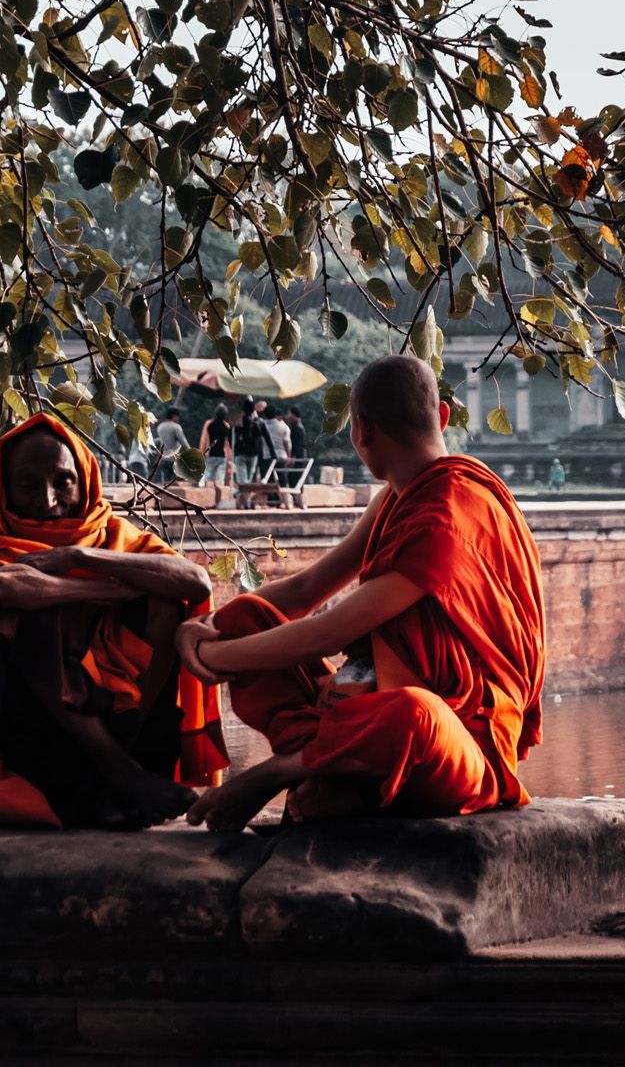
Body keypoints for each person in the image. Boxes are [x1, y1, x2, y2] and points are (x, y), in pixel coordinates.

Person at [178, 355, 546, 834]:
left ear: (361, 432)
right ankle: (338, 771)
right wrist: (212, 629)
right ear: (444, 417)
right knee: (250, 612)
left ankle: (288, 768)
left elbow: (330, 633)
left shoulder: (452, 510)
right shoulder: (396, 497)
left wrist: (212, 655)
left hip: (455, 745)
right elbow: (307, 589)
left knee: (416, 713)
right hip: (359, 711)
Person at [0, 413, 228, 830]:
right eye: (29, 484)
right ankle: (119, 772)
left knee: (163, 600)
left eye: (63, 481)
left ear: (85, 480)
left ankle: (118, 766)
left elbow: (194, 581)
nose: (48, 501)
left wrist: (77, 557)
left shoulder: (117, 539)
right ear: (5, 490)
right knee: (26, 607)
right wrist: (102, 590)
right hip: (30, 729)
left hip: (128, 721)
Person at [233, 402, 269, 485]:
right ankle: (244, 494)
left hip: (250, 453)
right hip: (250, 453)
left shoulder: (241, 421)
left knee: (246, 479)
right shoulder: (257, 422)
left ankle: (243, 494)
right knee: (247, 479)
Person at [199, 404, 233, 486]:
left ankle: (208, 495)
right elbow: (228, 444)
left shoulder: (209, 424)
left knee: (208, 478)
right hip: (222, 456)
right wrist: (230, 459)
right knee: (219, 479)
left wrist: (201, 453)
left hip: (211, 455)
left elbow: (203, 440)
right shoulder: (226, 426)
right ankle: (219, 496)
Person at [154, 407, 188, 481]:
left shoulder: (160, 427)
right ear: (174, 416)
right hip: (174, 460)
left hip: (163, 459)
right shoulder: (176, 427)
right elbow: (184, 444)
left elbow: (161, 444)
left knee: (166, 483)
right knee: (177, 483)